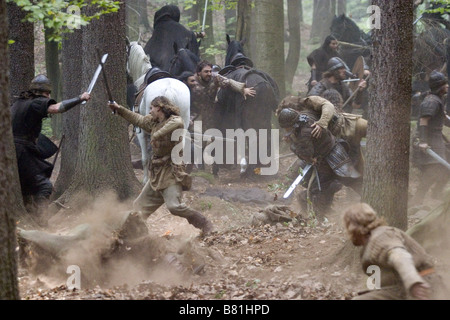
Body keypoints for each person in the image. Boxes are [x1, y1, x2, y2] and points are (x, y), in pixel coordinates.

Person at [108, 96, 214, 235]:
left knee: (174, 206)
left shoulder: (175, 121)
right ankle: (137, 235)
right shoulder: (153, 122)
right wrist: (119, 109)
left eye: (152, 108)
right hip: (157, 173)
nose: (150, 111)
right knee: (138, 208)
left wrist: (157, 133)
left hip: (171, 172)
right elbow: (138, 119)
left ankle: (203, 222)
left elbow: (177, 123)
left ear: (159, 108)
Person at [11, 74, 91, 222]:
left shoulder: (18, 103)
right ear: (44, 93)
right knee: (44, 187)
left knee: (25, 188)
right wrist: (80, 98)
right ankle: (40, 221)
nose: (48, 96)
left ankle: (25, 219)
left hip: (11, 151)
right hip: (21, 152)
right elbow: (56, 108)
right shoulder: (36, 102)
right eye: (48, 94)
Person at [343, 202, 449, 300]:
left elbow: (400, 256)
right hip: (400, 289)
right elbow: (376, 280)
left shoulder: (382, 236)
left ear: (352, 226)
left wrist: (413, 282)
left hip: (420, 286)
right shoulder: (368, 246)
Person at [277, 107, 361, 215]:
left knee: (348, 180)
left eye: (287, 128)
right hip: (324, 155)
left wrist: (292, 144)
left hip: (331, 156)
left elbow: (306, 154)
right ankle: (321, 208)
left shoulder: (304, 133)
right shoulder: (306, 116)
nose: (286, 130)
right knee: (313, 185)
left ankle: (368, 196)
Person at [190, 60, 256, 175]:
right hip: (196, 114)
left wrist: (242, 89)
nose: (209, 73)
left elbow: (229, 82)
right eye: (206, 72)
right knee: (199, 142)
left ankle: (215, 170)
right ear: (199, 73)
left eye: (210, 71)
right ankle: (200, 170)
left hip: (212, 113)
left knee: (217, 140)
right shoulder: (191, 82)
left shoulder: (215, 78)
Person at [411, 70, 450, 206]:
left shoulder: (439, 99)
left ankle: (436, 192)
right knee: (433, 171)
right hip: (429, 139)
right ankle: (418, 199)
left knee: (444, 168)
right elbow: (423, 121)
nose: (448, 86)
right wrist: (423, 141)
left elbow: (443, 118)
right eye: (445, 84)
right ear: (440, 86)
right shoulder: (431, 101)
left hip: (437, 139)